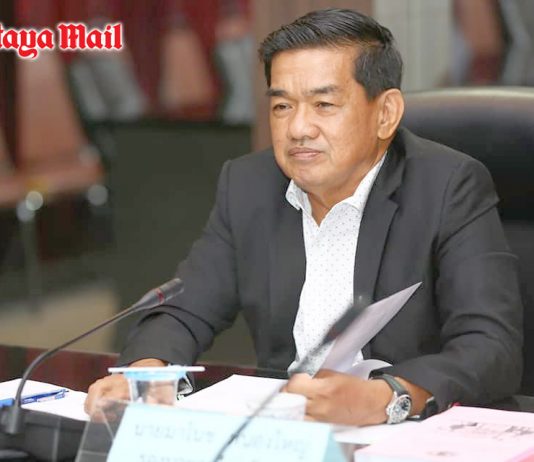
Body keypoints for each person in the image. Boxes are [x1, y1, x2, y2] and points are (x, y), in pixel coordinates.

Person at [85, 8, 523, 426]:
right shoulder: (249, 185)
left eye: (324, 105)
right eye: (282, 106)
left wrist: (385, 397)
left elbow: (491, 346)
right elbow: (185, 310)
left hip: (403, 434)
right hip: (285, 432)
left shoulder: (447, 186)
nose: (298, 129)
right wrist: (144, 373)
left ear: (385, 113)